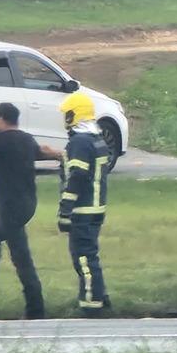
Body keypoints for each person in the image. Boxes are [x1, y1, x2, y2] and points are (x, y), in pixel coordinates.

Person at [0, 102, 61, 319]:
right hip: (27, 205)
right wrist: (59, 154)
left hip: (11, 207)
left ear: (2, 118)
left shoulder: (1, 139)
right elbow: (42, 152)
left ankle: (35, 309)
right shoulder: (26, 138)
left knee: (21, 257)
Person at [57, 92, 111, 314]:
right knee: (90, 255)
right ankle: (101, 297)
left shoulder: (79, 142)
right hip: (96, 208)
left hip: (83, 209)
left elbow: (78, 176)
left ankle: (91, 303)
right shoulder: (96, 140)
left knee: (83, 258)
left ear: (73, 115)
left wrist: (65, 209)